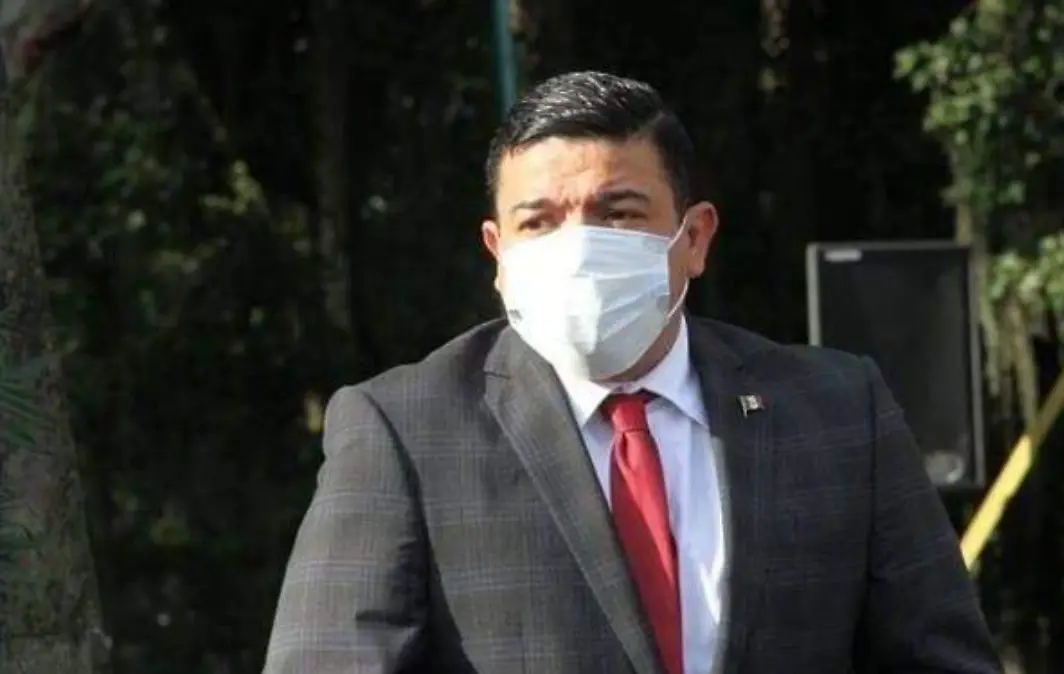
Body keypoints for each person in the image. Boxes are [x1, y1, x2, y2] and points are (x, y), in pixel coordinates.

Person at [263, 71, 1001, 674]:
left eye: (617, 213)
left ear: (695, 237)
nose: (578, 247)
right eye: (538, 222)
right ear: (498, 253)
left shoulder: (838, 412)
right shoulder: (407, 430)